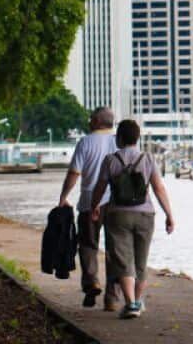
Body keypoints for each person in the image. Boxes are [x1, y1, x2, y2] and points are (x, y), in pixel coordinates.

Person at [90, 119, 175, 320]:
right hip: (145, 214)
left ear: (119, 138)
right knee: (141, 262)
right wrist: (169, 214)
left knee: (123, 260)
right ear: (137, 138)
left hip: (118, 214)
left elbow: (100, 187)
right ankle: (138, 301)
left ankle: (131, 304)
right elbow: (158, 188)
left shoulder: (110, 160)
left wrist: (94, 207)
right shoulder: (148, 159)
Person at [58, 108, 121, 310]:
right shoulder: (119, 142)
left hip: (88, 203)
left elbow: (74, 173)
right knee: (115, 250)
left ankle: (91, 282)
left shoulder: (85, 142)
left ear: (95, 121)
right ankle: (112, 298)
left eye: (90, 119)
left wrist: (63, 197)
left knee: (87, 245)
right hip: (115, 204)